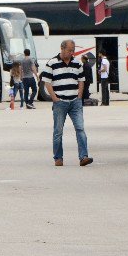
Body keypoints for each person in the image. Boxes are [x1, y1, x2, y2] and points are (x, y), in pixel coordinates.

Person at [42, 39, 92, 167]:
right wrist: (55, 99)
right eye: (70, 50)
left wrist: (79, 97)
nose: (72, 52)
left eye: (73, 50)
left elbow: (81, 80)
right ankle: (58, 158)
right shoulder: (52, 63)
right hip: (60, 102)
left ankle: (83, 157)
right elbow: (47, 82)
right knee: (58, 131)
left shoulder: (77, 63)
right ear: (62, 48)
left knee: (80, 128)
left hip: (75, 102)